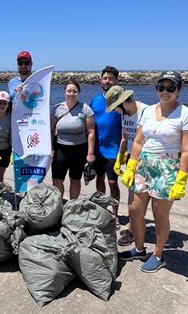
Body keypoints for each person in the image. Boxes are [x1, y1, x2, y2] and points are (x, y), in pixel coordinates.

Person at [119, 71, 188, 273]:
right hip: (144, 164)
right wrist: (131, 166)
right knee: (135, 210)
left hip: (167, 167)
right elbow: (138, 141)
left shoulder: (186, 114)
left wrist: (181, 178)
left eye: (171, 87)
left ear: (178, 90)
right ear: (156, 89)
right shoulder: (147, 111)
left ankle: (158, 254)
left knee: (159, 214)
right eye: (161, 87)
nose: (165, 91)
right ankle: (139, 248)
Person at [105, 85, 148, 246]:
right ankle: (133, 227)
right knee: (133, 199)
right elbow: (125, 137)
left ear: (121, 103)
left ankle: (133, 232)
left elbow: (147, 140)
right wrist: (120, 156)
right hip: (131, 158)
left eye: (114, 108)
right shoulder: (125, 113)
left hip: (143, 161)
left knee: (136, 202)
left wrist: (133, 165)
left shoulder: (145, 111)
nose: (114, 112)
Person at [51, 80, 96, 199]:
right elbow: (51, 130)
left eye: (74, 91)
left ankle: (73, 205)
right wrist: (50, 148)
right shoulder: (56, 109)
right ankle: (58, 204)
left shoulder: (85, 109)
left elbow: (91, 132)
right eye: (69, 91)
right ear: (64, 92)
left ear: (79, 93)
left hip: (79, 150)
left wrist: (90, 153)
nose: (71, 94)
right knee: (57, 180)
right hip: (61, 148)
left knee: (75, 179)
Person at [90, 66, 122, 226]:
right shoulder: (95, 100)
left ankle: (115, 214)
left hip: (114, 150)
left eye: (110, 78)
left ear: (116, 81)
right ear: (100, 80)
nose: (107, 81)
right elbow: (89, 126)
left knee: (113, 183)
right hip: (97, 149)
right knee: (100, 179)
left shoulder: (122, 101)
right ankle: (102, 211)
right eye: (105, 78)